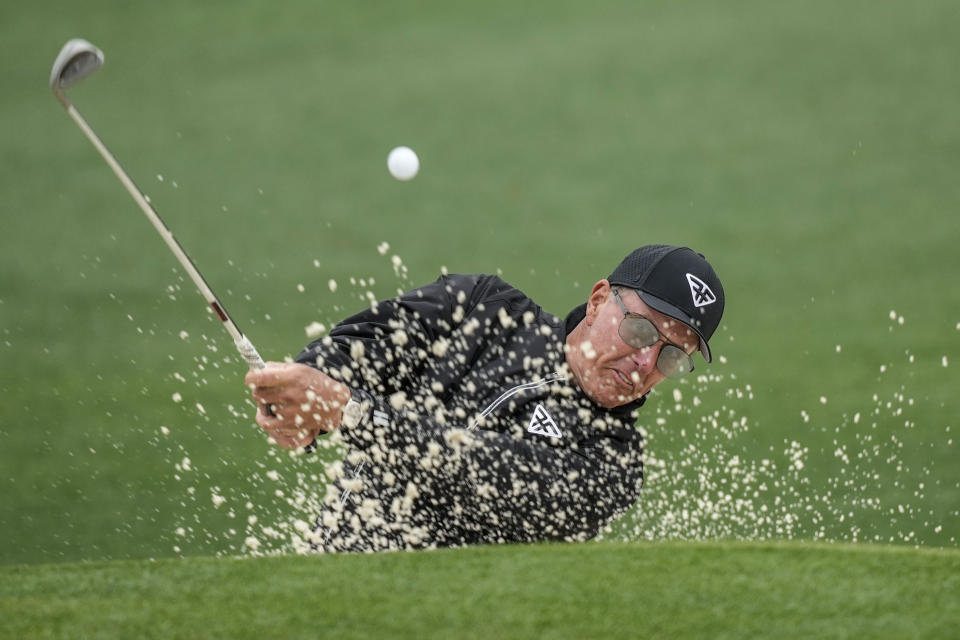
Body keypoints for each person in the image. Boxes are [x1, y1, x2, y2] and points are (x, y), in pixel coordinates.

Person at [245, 244, 725, 551]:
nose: (645, 363)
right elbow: (361, 347)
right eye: (641, 331)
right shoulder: (482, 308)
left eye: (669, 358)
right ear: (599, 300)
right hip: (328, 583)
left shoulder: (614, 465)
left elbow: (486, 474)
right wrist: (302, 396)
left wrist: (350, 413)